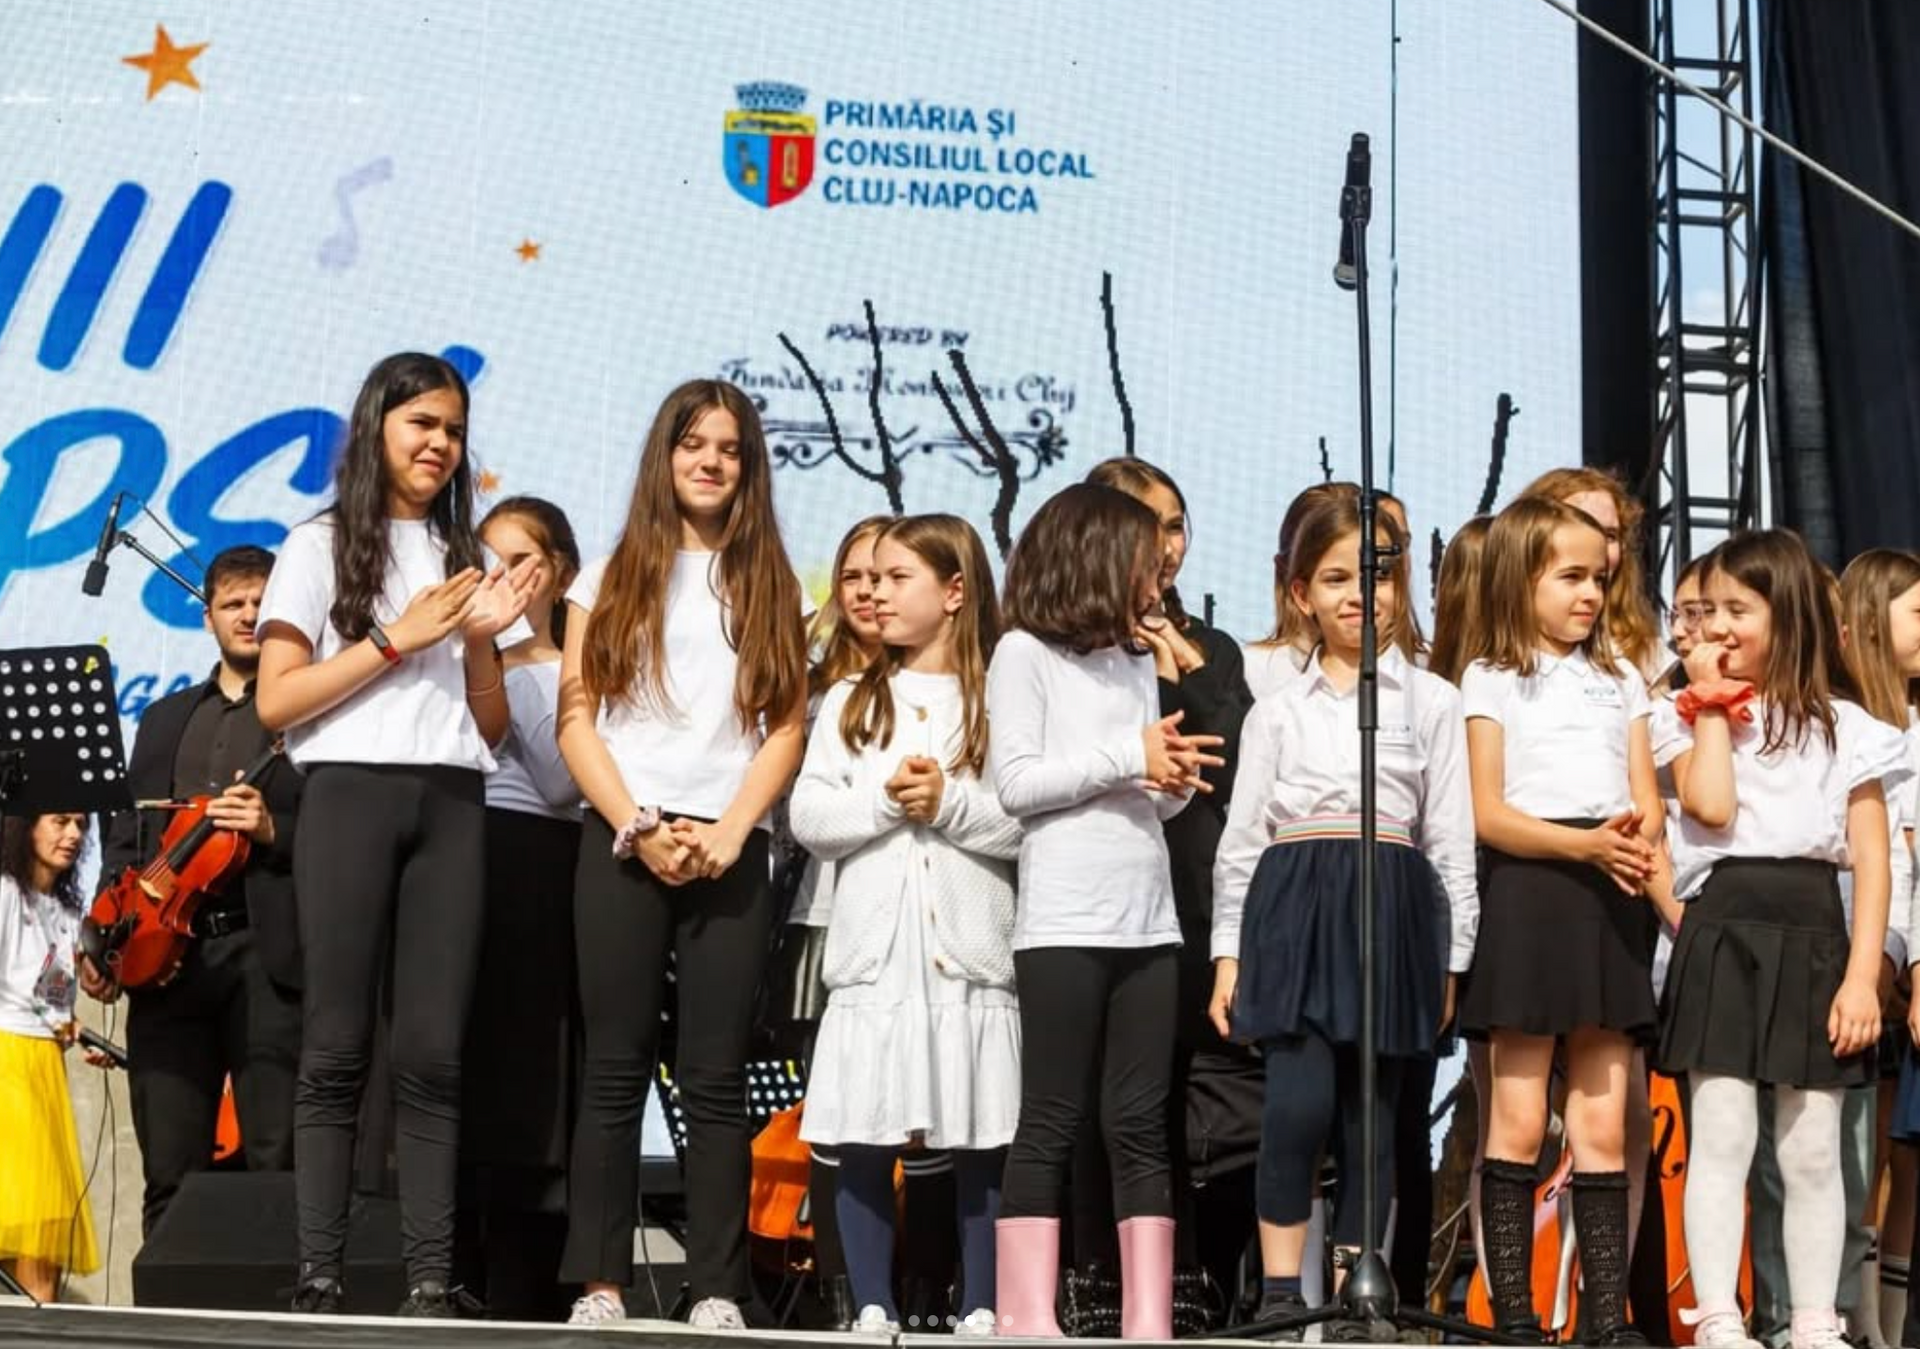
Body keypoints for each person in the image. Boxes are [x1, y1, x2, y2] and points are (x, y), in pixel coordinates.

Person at [255, 351, 538, 1316]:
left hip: (454, 802)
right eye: (422, 423)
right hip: (348, 794)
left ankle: (428, 1277)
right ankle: (319, 1273)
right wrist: (394, 640)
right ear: (377, 424)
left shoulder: (470, 558)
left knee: (433, 1050)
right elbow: (277, 700)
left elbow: (489, 728)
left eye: (454, 430)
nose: (439, 445)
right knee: (336, 1042)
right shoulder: (319, 544)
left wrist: (476, 639)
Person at [557, 379, 808, 1330]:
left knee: (713, 1076)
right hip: (625, 836)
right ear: (664, 455)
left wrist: (735, 828)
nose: (711, 461)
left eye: (731, 448)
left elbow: (785, 724)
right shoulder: (613, 570)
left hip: (727, 842)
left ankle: (716, 1286)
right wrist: (636, 825)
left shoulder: (772, 577)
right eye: (693, 443)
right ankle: (602, 1283)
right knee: (614, 1068)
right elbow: (577, 719)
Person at [1208, 483, 1477, 1340]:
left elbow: (1451, 842)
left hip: (1392, 908)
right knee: (1295, 1106)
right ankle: (1284, 1291)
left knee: (1375, 1115)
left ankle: (1359, 1292)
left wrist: (1452, 958)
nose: (1360, 595)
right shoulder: (1279, 709)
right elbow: (1244, 838)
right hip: (1296, 906)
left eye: (1379, 574)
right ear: (1301, 595)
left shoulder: (1430, 700)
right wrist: (1227, 952)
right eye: (1335, 578)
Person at [1656, 529, 1908, 1349]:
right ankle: (1721, 1319)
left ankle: (1813, 1320)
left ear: (1788, 615)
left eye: (1738, 608)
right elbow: (1715, 810)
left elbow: (1872, 858)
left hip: (1815, 936)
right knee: (1723, 1133)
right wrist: (1712, 709)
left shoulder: (1849, 726)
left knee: (1811, 1147)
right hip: (1724, 927)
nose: (1717, 625)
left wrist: (1864, 976)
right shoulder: (1691, 716)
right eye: (1708, 609)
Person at [986, 482, 1223, 1340]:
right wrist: (1133, 752)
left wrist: (1170, 780)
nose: (1157, 572)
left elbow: (1137, 797)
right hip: (1062, 921)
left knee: (1138, 1120)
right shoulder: (1022, 653)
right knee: (1052, 1112)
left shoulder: (1132, 659)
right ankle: (1024, 1314)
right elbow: (1018, 785)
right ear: (1091, 557)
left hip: (1149, 918)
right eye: (1141, 556)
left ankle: (1148, 1318)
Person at [793, 513, 1022, 1337]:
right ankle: (872, 1302)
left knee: (978, 1126)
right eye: (871, 579)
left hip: (968, 952)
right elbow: (811, 815)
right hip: (875, 953)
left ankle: (984, 1300)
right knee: (866, 1121)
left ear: (954, 592)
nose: (876, 594)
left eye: (897, 579)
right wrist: (888, 799)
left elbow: (1024, 821)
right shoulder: (852, 700)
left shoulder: (1000, 699)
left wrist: (950, 803)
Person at [1458, 495, 1662, 1344]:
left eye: (1598, 577)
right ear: (1521, 577)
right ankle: (1514, 1320)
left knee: (1605, 1119)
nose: (1589, 593)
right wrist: (1582, 848)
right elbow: (1490, 812)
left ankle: (1605, 1318)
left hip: (1611, 893)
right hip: (1533, 891)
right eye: (1570, 576)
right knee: (1514, 1116)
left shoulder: (1622, 677)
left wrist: (1632, 841)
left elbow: (1646, 800)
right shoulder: (1492, 676)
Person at [1082, 457, 1256, 1322]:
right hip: (1096, 901)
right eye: (1148, 524)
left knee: (1196, 1103)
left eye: (1178, 524)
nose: (1168, 543)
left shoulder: (1211, 649)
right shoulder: (1072, 645)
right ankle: (1094, 1283)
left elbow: (1231, 758)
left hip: (1191, 899)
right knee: (1108, 1101)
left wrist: (1179, 655)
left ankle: (1191, 1285)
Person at [88, 544, 304, 1239]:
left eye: (261, 603)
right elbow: (127, 834)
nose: (248, 615)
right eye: (233, 603)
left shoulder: (306, 716)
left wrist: (275, 827)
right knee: (170, 1164)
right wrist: (103, 933)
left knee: (279, 1155)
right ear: (207, 614)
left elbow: (340, 830)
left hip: (268, 956)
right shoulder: (162, 717)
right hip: (165, 959)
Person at [453, 496, 585, 1320]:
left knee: (530, 1080)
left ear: (559, 571)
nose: (499, 576)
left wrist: (515, 656)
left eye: (518, 560)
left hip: (539, 864)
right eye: (485, 558)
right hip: (467, 859)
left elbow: (563, 779)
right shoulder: (461, 652)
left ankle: (529, 1280)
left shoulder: (566, 661)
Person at [0, 813, 100, 1300]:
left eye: (81, 824)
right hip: (8, 1062)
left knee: (43, 1227)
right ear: (24, 827)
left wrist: (69, 1026)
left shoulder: (64, 911)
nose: (74, 835)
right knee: (29, 1213)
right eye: (60, 821)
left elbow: (50, 996)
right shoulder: (3, 892)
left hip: (44, 1067)